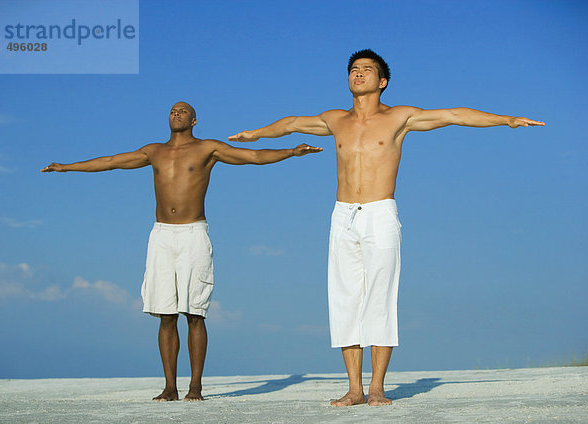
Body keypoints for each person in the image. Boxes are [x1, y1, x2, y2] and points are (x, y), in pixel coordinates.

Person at [228, 49, 545, 407]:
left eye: (366, 70)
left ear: (382, 82)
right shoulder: (335, 119)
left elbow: (455, 115)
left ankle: (377, 387)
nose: (358, 73)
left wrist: (508, 119)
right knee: (344, 298)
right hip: (342, 214)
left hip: (380, 212)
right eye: (353, 69)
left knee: (380, 298)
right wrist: (257, 133)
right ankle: (354, 388)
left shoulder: (399, 117)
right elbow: (290, 123)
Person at [41, 101, 322, 402]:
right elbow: (111, 161)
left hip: (193, 234)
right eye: (172, 110)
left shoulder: (207, 149)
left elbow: (252, 156)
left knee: (194, 314)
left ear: (194, 120)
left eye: (182, 111)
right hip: (161, 235)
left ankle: (195, 387)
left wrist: (290, 152)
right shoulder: (154, 151)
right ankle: (170, 387)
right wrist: (66, 167)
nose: (176, 113)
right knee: (165, 315)